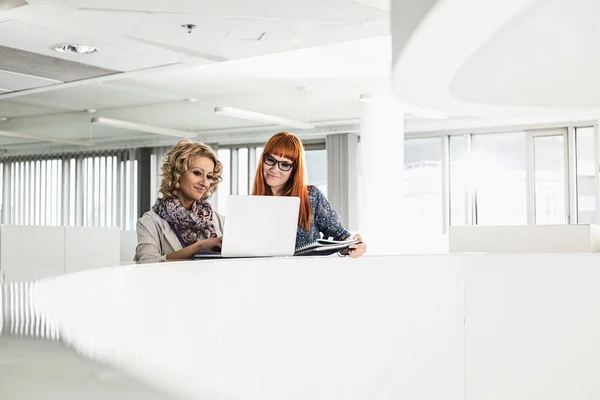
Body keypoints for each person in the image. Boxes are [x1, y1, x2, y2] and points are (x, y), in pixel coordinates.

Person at [252, 132, 367, 258]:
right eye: (270, 160)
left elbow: (340, 235)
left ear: (294, 169)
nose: (275, 169)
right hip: (265, 273)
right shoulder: (251, 204)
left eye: (285, 164)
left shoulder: (310, 196)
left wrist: (352, 246)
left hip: (306, 274)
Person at [134, 139, 224, 263]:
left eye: (209, 176)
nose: (204, 183)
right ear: (177, 173)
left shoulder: (218, 220)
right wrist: (199, 246)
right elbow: (146, 263)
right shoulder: (149, 222)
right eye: (197, 173)